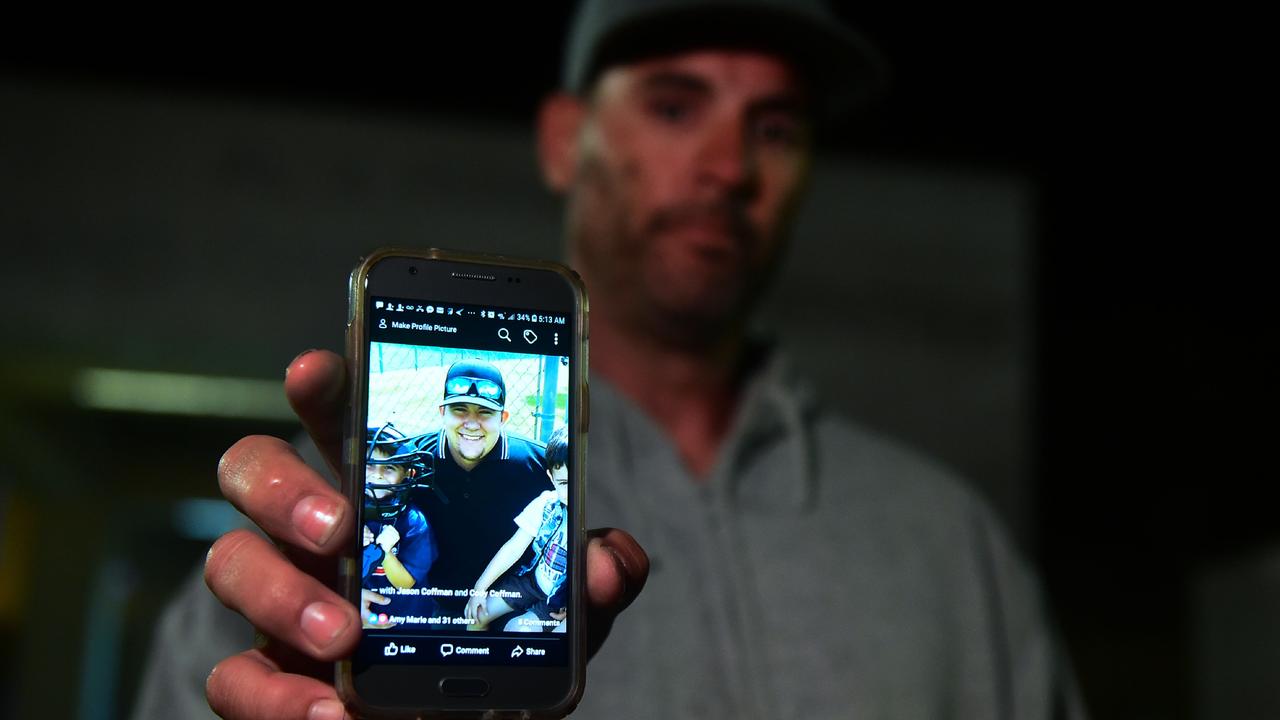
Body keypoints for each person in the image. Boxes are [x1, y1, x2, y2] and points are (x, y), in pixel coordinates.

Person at [136, 1, 1086, 718]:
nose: (729, 166)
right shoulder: (315, 557)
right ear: (564, 140)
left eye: (776, 127)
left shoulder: (953, 546)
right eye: (676, 106)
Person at [412, 359, 551, 618]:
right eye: (460, 409)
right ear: (442, 413)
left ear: (503, 418)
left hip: (512, 601)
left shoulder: (537, 464)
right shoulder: (413, 458)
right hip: (426, 598)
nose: (472, 423)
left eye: (485, 412)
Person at [464, 425, 571, 633]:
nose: (573, 490)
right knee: (475, 616)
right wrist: (479, 588)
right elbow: (513, 548)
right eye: (565, 482)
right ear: (551, 478)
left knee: (516, 629)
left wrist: (576, 604)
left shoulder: (594, 516)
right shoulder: (547, 504)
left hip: (560, 598)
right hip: (532, 582)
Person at [359, 423, 438, 629]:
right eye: (370, 465)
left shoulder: (413, 521)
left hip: (407, 619)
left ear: (407, 474)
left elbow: (405, 583)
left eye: (389, 468)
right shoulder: (348, 510)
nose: (377, 475)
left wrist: (386, 552)